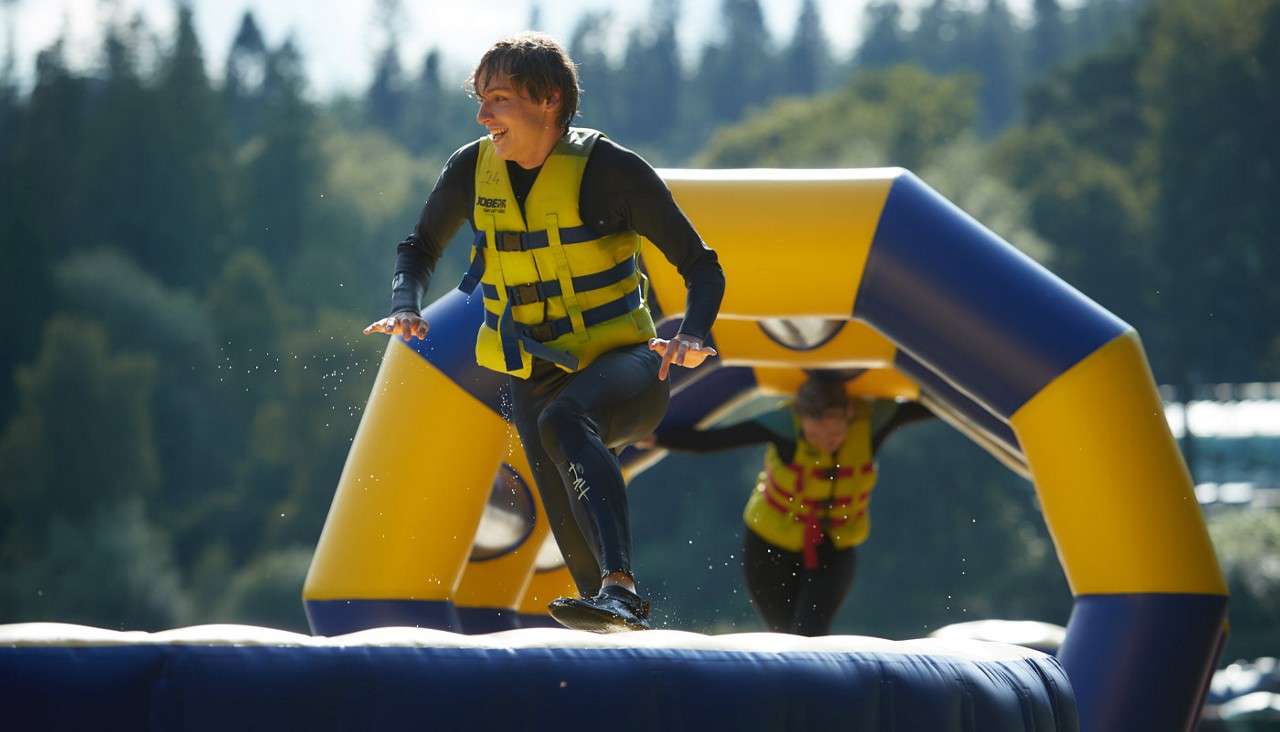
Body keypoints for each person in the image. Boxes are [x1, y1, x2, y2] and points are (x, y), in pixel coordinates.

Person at [363, 33, 724, 632]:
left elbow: (701, 265)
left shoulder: (612, 172)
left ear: (548, 99)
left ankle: (623, 588)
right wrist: (407, 302)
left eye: (498, 99)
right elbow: (418, 247)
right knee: (578, 553)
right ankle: (617, 620)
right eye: (479, 100)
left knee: (566, 420)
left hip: (630, 369)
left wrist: (694, 331)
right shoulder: (471, 170)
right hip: (535, 378)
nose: (483, 116)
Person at [647, 376, 932, 636]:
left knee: (811, 632)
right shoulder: (784, 425)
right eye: (815, 436)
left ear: (849, 415)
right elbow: (711, 441)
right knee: (782, 634)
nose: (825, 445)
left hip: (835, 546)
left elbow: (932, 404)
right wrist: (657, 436)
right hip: (769, 545)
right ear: (801, 418)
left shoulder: (872, 423)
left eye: (834, 436)